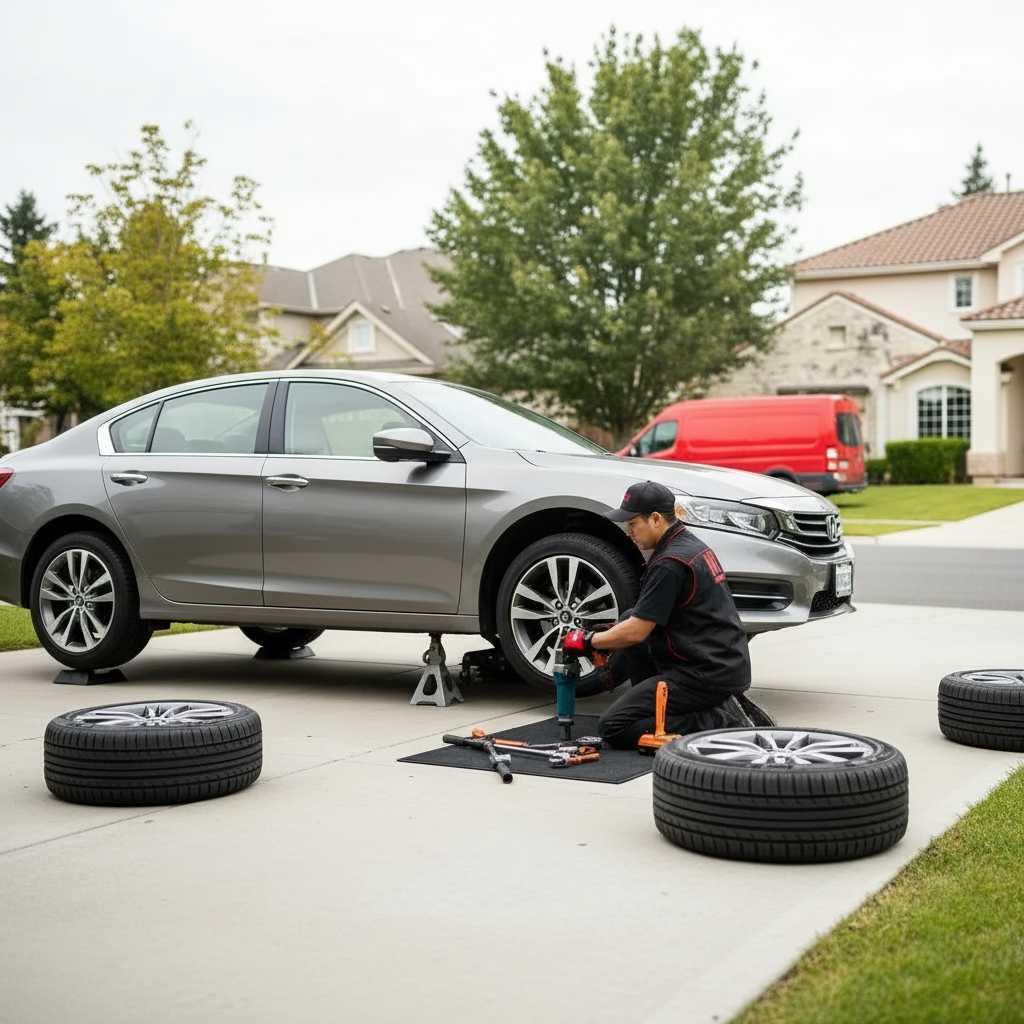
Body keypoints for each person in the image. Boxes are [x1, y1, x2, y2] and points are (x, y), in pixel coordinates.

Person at [564, 480, 754, 749]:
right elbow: (639, 621)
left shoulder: (669, 564)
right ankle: (663, 709)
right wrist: (612, 634)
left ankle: (717, 721)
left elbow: (637, 631)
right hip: (720, 663)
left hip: (703, 674)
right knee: (630, 616)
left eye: (633, 524)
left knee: (614, 727)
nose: (628, 532)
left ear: (655, 519)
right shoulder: (686, 545)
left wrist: (587, 641)